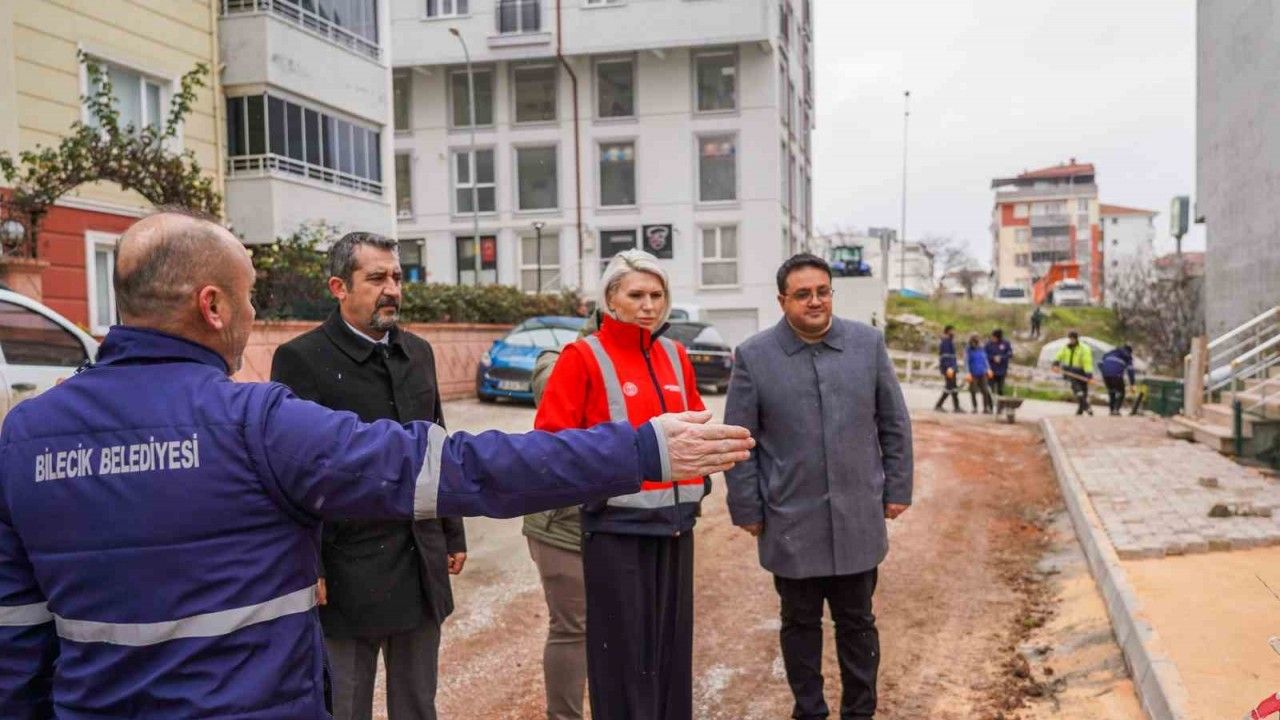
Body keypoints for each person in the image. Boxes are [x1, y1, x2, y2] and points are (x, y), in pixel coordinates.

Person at [0, 211, 754, 718]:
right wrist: (642, 448)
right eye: (250, 297)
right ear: (213, 306)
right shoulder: (254, 421)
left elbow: (16, 643)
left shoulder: (25, 438)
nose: (255, 315)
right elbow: (460, 467)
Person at [270, 232, 464, 720]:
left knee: (418, 705)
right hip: (346, 571)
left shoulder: (418, 352)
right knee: (344, 705)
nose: (392, 289)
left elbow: (436, 444)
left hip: (419, 560)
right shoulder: (301, 359)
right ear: (339, 287)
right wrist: (308, 562)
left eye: (396, 277)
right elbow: (290, 472)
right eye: (376, 278)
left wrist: (451, 530)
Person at [724, 254, 913, 720]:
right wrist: (747, 507)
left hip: (857, 515)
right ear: (782, 301)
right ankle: (809, 711)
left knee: (857, 621)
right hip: (791, 519)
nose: (815, 301)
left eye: (823, 291)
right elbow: (740, 440)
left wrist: (897, 488)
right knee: (799, 622)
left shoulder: (867, 345)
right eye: (803, 294)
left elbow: (894, 423)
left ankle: (860, 712)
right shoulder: (754, 357)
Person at [536, 250, 705, 720]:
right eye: (636, 295)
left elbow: (697, 428)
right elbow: (550, 443)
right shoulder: (582, 357)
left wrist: (703, 479)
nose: (648, 305)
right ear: (611, 299)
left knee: (671, 659)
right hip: (615, 532)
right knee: (623, 664)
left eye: (657, 295)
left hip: (676, 529)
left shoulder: (676, 356)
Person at [523, 308, 599, 720]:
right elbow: (561, 396)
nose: (646, 308)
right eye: (633, 296)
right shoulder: (558, 359)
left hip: (624, 523)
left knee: (619, 630)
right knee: (572, 629)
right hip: (562, 525)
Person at [1053, 331, 1095, 416]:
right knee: (1077, 390)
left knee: (1084, 391)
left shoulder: (1084, 348)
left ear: (1076, 339)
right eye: (1070, 338)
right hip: (1070, 371)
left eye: (1073, 339)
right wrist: (1056, 364)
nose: (1071, 340)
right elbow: (1059, 355)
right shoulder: (1066, 347)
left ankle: (1080, 409)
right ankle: (1087, 407)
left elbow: (1087, 361)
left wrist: (1089, 374)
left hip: (1082, 371)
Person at [1099, 344, 1137, 416]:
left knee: (1111, 391)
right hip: (1116, 375)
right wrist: (1132, 384)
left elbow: (1100, 364)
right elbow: (1130, 371)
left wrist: (1105, 372)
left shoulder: (1110, 353)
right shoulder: (1127, 356)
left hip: (1106, 374)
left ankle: (1111, 410)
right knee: (1121, 392)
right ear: (1129, 351)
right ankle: (1116, 410)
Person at [934, 324, 962, 412]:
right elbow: (945, 357)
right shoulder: (945, 342)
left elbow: (952, 356)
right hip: (949, 368)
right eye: (953, 330)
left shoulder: (950, 341)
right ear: (948, 331)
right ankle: (939, 405)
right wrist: (949, 368)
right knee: (950, 387)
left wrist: (954, 367)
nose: (954, 332)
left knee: (953, 387)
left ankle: (956, 407)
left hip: (952, 368)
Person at [965, 334, 994, 414]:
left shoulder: (981, 349)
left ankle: (985, 408)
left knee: (985, 390)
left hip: (983, 372)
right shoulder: (968, 350)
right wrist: (967, 372)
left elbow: (985, 360)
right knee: (973, 391)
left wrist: (988, 369)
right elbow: (966, 361)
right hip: (973, 373)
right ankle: (975, 407)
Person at [985, 328, 1013, 397]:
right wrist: (992, 358)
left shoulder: (1006, 343)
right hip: (991, 370)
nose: (992, 338)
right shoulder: (988, 344)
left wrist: (1001, 357)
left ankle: (999, 402)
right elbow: (984, 355)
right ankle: (989, 402)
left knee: (1000, 390)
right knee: (990, 390)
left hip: (1002, 370)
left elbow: (1010, 354)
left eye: (994, 337)